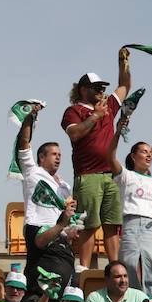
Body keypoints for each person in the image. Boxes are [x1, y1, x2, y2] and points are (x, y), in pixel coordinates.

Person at [62, 53, 133, 271]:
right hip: (88, 174)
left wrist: (123, 63)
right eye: (96, 88)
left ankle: (114, 268)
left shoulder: (108, 106)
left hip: (110, 175)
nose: (101, 92)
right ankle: (83, 269)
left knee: (112, 225)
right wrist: (95, 116)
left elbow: (124, 85)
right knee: (89, 225)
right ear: (83, 89)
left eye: (102, 88)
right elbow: (74, 134)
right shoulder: (74, 111)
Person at [15, 103, 77, 302]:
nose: (58, 158)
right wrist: (29, 118)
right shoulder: (33, 172)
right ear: (41, 157)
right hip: (38, 228)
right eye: (53, 154)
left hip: (59, 236)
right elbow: (24, 144)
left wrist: (70, 230)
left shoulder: (64, 185)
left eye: (60, 155)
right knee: (38, 279)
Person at [108, 135, 152, 296]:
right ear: (133, 156)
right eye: (144, 152)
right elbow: (110, 156)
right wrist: (118, 130)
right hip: (132, 224)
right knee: (131, 267)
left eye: (150, 153)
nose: (149, 155)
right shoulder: (126, 176)